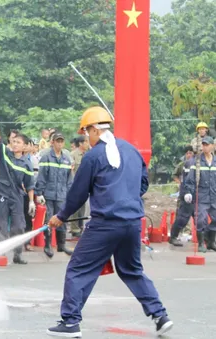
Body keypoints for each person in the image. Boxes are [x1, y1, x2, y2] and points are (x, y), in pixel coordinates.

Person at [45, 106, 172, 338]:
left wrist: (61, 216)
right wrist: (126, 198)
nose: (85, 138)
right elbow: (143, 184)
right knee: (132, 270)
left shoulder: (93, 156)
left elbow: (78, 193)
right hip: (133, 222)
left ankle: (71, 322)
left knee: (79, 269)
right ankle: (160, 316)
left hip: (105, 224)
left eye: (86, 133)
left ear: (94, 130)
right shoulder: (131, 151)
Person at [0, 123, 36, 264]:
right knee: (1, 224)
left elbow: (29, 185)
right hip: (3, 193)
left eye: (19, 142)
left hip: (17, 196)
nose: (15, 144)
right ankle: (1, 252)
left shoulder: (27, 164)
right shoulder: (5, 154)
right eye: (14, 141)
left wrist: (31, 201)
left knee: (19, 226)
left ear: (24, 146)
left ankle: (18, 254)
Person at [35, 132, 74, 257]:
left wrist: (69, 194)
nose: (60, 143)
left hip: (62, 195)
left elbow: (69, 179)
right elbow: (41, 177)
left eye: (61, 141)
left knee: (62, 219)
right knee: (49, 220)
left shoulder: (66, 159)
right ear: (52, 142)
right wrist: (39, 193)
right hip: (48, 194)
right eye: (57, 141)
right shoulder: (46, 157)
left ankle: (61, 245)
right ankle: (47, 245)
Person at [183, 136, 216, 252]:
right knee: (201, 220)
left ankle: (211, 241)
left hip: (214, 196)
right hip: (201, 196)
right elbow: (190, 179)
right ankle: (201, 243)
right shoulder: (197, 162)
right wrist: (188, 192)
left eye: (207, 145)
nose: (205, 147)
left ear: (213, 146)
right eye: (204, 145)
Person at [169, 145, 195, 246]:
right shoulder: (184, 164)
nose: (189, 155)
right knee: (182, 216)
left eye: (191, 153)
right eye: (187, 153)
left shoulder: (202, 163)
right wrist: (180, 183)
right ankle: (174, 236)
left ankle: (204, 240)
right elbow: (176, 176)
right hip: (186, 193)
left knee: (200, 218)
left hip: (199, 194)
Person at [68, 135, 90, 237]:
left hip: (86, 185)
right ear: (80, 143)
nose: (87, 143)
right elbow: (71, 171)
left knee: (83, 208)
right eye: (85, 142)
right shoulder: (72, 155)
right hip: (75, 185)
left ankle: (81, 227)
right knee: (74, 208)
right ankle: (74, 229)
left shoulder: (89, 155)